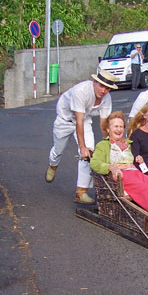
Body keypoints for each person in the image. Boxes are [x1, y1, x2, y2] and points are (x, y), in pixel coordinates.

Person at [89, 111, 148, 220]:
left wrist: (141, 161)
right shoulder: (103, 145)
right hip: (120, 174)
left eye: (121, 126)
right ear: (108, 129)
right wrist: (111, 167)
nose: (119, 129)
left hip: (135, 172)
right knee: (143, 188)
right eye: (115, 126)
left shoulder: (129, 143)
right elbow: (94, 162)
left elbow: (138, 162)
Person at [45, 70, 118, 204]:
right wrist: (82, 146)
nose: (104, 90)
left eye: (107, 88)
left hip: (85, 120)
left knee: (88, 155)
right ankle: (53, 166)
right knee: (58, 150)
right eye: (101, 86)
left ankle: (81, 192)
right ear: (95, 82)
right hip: (65, 120)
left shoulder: (106, 98)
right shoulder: (81, 91)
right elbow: (78, 120)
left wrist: (110, 146)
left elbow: (104, 124)